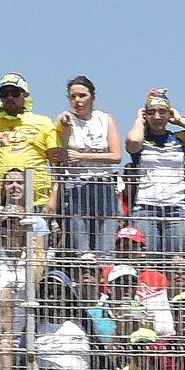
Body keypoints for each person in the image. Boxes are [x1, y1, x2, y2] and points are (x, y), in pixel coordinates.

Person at [124, 89, 185, 253]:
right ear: (146, 115)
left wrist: (179, 120)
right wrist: (138, 121)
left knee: (174, 260)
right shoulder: (142, 139)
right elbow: (132, 141)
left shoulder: (178, 139)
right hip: (146, 207)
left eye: (162, 112)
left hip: (176, 208)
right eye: (152, 112)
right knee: (149, 261)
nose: (157, 117)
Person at [54, 75, 122, 254]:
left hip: (103, 185)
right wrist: (62, 123)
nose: (77, 101)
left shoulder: (105, 119)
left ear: (92, 96)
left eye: (82, 95)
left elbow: (116, 156)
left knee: (106, 246)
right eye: (73, 97)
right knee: (80, 248)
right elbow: (59, 127)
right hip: (76, 185)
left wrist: (82, 156)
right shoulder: (67, 120)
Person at [0, 73, 60, 211]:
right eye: (4, 93)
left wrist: (53, 200)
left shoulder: (44, 122)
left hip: (39, 202)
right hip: (0, 202)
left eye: (14, 93)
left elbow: (58, 167)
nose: (9, 97)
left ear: (25, 95)